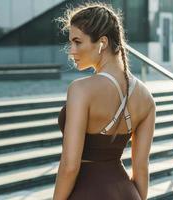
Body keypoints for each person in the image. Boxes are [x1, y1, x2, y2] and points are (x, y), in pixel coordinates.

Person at [52, 2, 156, 200]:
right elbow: (141, 167)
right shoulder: (146, 97)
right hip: (128, 192)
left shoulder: (81, 89)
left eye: (77, 42)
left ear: (103, 42)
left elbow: (70, 165)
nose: (71, 51)